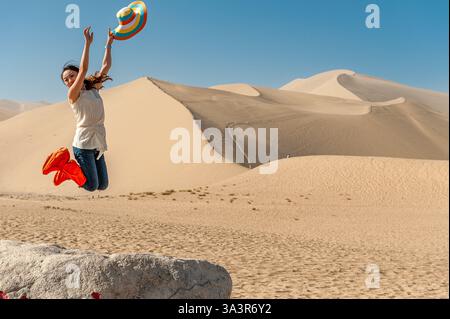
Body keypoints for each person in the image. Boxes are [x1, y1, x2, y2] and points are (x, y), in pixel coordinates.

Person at [61, 27, 114, 192]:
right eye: (65, 79)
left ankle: (71, 170)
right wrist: (87, 43)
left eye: (71, 75)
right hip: (83, 144)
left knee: (103, 185)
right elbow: (83, 69)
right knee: (91, 186)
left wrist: (109, 44)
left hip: (97, 142)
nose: (69, 80)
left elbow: (106, 65)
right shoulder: (73, 94)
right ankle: (66, 169)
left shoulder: (93, 88)